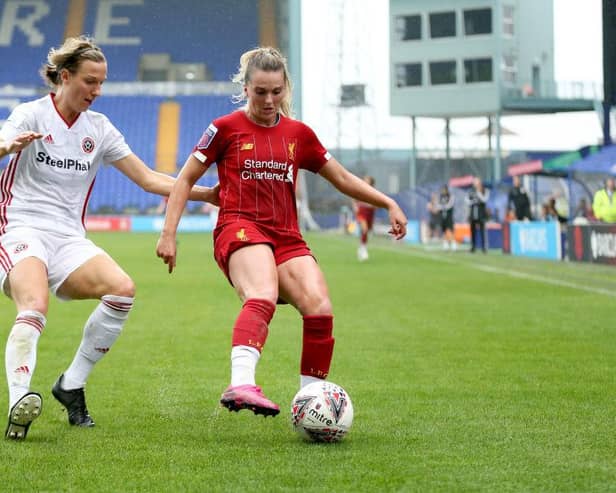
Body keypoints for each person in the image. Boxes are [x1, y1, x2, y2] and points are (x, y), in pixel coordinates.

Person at [156, 47, 407, 417]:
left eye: (276, 91)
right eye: (260, 92)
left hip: (287, 236)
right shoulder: (223, 129)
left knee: (319, 307)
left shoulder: (299, 134)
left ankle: (311, 404)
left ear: (286, 87)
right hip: (239, 226)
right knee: (263, 293)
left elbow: (341, 178)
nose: (269, 100)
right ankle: (240, 383)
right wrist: (168, 233)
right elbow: (184, 180)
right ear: (246, 89)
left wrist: (387, 201)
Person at [0, 36, 218, 441]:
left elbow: (148, 177)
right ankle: (19, 401)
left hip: (68, 237)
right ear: (64, 77)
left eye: (101, 83)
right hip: (20, 227)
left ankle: (71, 384)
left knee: (122, 290)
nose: (96, 91)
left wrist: (203, 193)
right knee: (35, 304)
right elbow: (2, 138)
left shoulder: (98, 129)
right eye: (89, 81)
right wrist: (6, 145)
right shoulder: (30, 114)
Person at [352, 175, 377, 261]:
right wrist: (355, 207)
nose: (365, 181)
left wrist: (374, 205)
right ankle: (363, 249)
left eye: (367, 180)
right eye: (365, 179)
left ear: (371, 182)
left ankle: (361, 247)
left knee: (367, 231)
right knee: (365, 229)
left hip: (370, 212)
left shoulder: (374, 191)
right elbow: (354, 198)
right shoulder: (360, 189)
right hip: (362, 211)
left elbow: (377, 203)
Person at [465, 177, 490, 253]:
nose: (475, 184)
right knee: (472, 231)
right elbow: (467, 200)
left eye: (476, 182)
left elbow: (485, 199)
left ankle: (484, 248)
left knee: (483, 231)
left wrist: (478, 193)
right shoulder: (471, 191)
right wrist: (472, 201)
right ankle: (473, 247)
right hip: (473, 213)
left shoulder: (485, 190)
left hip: (481, 213)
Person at [438, 184, 456, 250]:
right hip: (442, 216)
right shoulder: (441, 196)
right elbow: (439, 205)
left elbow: (450, 205)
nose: (442, 191)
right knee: (444, 230)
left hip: (449, 216)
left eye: (443, 189)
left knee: (450, 229)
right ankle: (445, 243)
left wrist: (443, 206)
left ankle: (453, 243)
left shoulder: (450, 196)